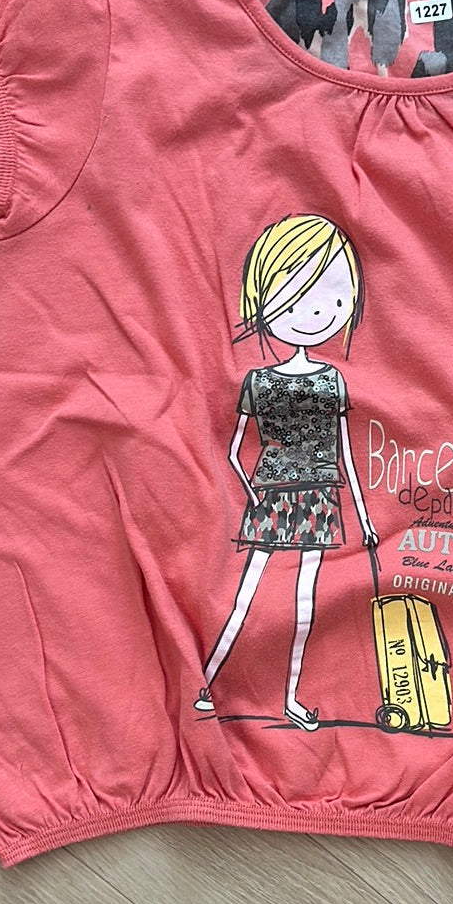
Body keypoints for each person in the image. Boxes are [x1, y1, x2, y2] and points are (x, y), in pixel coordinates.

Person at [194, 213, 378, 730]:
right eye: (293, 300)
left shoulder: (329, 379)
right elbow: (236, 451)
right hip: (294, 496)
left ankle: (279, 697)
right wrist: (254, 496)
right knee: (256, 596)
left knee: (294, 601)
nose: (315, 313)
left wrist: (364, 520)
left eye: (332, 299)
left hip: (309, 496)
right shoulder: (260, 380)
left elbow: (343, 453)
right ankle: (209, 684)